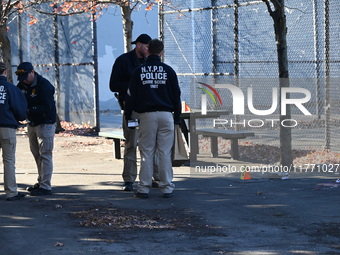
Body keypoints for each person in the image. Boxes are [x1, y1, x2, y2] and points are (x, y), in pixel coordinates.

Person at [125, 39, 181, 198]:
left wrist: (129, 115)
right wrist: (176, 118)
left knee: (146, 152)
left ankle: (143, 187)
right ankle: (167, 186)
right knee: (164, 151)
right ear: (161, 52)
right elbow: (176, 96)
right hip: (166, 114)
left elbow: (131, 97)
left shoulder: (139, 71)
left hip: (147, 115)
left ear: (148, 50)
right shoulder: (168, 71)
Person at [109, 34, 152, 191]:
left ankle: (151, 177)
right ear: (138, 45)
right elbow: (113, 85)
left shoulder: (150, 61)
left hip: (148, 108)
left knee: (149, 145)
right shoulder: (123, 61)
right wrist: (133, 85)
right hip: (131, 109)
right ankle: (129, 179)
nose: (148, 50)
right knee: (131, 144)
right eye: (146, 47)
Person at [16, 62, 57, 196]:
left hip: (45, 123)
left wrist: (28, 110)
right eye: (21, 77)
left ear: (32, 72)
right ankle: (41, 181)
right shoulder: (22, 85)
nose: (23, 80)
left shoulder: (44, 86)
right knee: (36, 154)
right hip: (31, 123)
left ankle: (46, 186)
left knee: (45, 154)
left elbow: (47, 107)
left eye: (25, 76)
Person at [0, 62, 27, 201]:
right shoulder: (10, 88)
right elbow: (20, 111)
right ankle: (11, 192)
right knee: (9, 161)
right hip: (6, 128)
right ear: (5, 71)